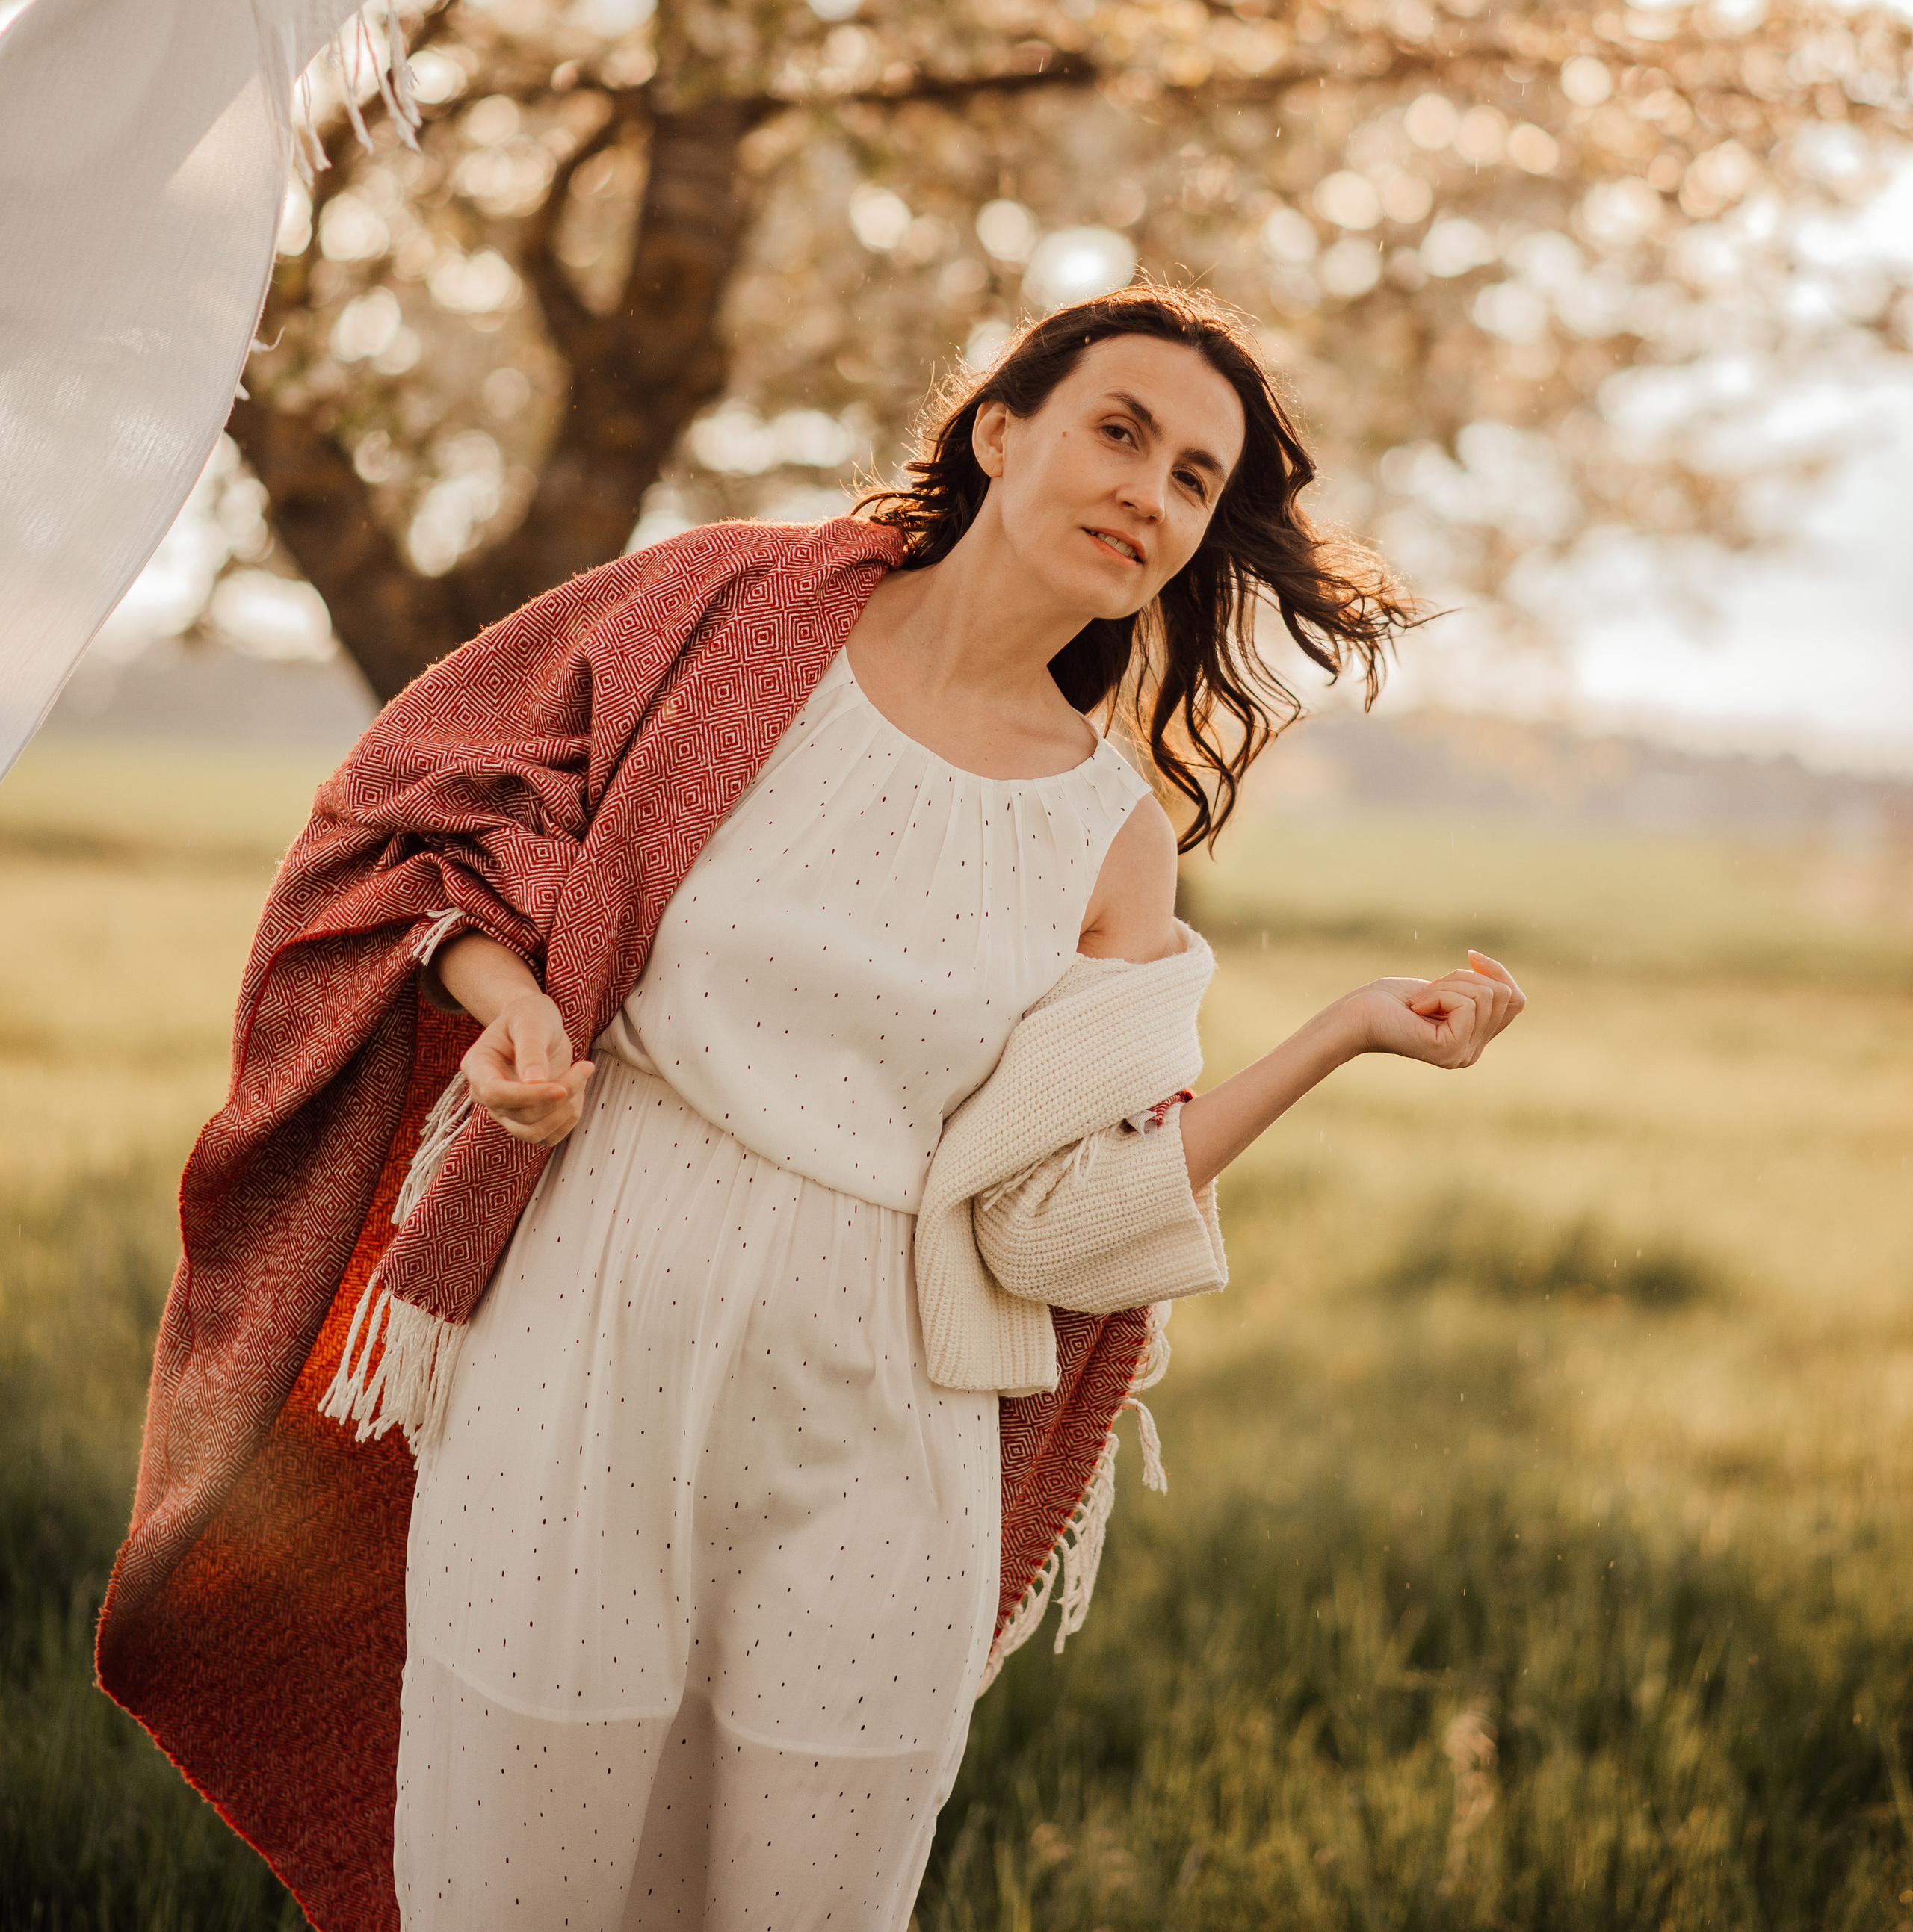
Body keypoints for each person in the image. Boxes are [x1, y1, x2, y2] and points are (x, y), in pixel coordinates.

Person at [96, 285, 1523, 1932]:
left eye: (1194, 480)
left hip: (883, 1417)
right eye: (1118, 431)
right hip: (587, 1338)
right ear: (1000, 430)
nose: (1149, 491)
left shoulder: (1106, 834)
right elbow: (445, 820)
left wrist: (1337, 1034)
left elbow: (1058, 1220)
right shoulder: (728, 619)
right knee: (509, 1892)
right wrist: (513, 1018)